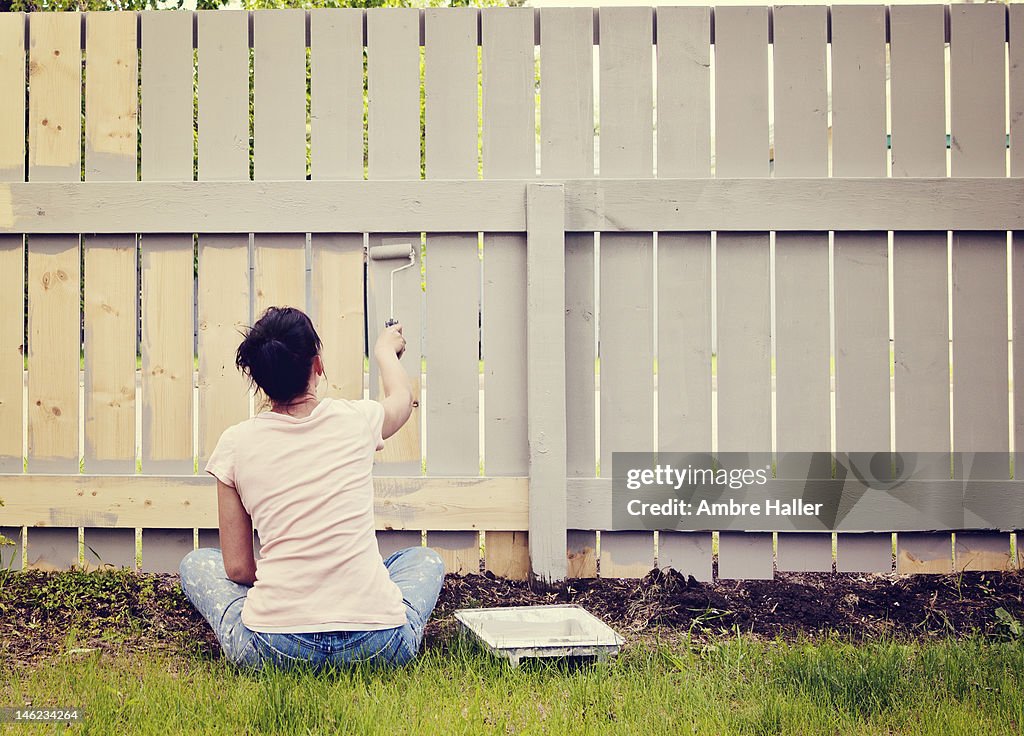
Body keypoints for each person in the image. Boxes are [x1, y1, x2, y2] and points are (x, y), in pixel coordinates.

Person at [179, 306, 445, 672]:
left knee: (197, 563)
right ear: (317, 366)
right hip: (379, 643)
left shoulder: (235, 444)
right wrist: (385, 350)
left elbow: (239, 568)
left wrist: (293, 583)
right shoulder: (356, 420)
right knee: (424, 560)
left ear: (258, 378)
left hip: (275, 649)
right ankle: (365, 598)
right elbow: (402, 399)